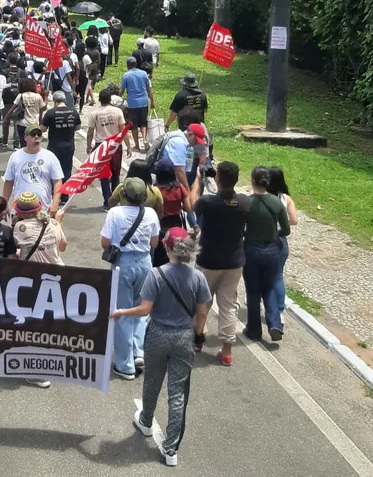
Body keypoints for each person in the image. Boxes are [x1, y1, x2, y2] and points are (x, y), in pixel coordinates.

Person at [112, 227, 211, 467]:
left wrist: (122, 312)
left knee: (152, 382)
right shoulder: (197, 277)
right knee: (177, 393)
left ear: (167, 248)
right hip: (183, 337)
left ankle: (145, 421)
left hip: (157, 334)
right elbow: (202, 311)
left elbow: (145, 310)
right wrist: (198, 334)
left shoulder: (156, 275)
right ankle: (171, 449)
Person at [99, 178, 160, 380]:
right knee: (141, 311)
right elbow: (154, 241)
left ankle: (125, 366)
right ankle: (138, 352)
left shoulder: (115, 213)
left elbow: (104, 242)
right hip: (144, 262)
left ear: (123, 195)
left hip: (123, 264)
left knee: (122, 312)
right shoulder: (150, 213)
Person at [189, 160, 248, 366]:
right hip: (234, 262)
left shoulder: (208, 202)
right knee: (228, 305)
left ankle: (198, 339)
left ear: (217, 178)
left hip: (208, 260)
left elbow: (191, 203)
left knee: (202, 301)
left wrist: (197, 180)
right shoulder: (244, 202)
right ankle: (227, 350)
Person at [243, 166, 291, 342]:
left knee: (253, 291)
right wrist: (274, 235)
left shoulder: (247, 202)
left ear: (252, 181)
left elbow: (241, 229)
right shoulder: (277, 202)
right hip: (272, 251)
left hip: (252, 250)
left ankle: (254, 330)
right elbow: (286, 229)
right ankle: (275, 324)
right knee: (269, 287)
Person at [2, 125, 64, 216]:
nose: (36, 136)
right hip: (20, 211)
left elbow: (57, 181)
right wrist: (4, 204)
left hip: (43, 210)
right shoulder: (15, 157)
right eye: (33, 134)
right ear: (25, 137)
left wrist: (55, 203)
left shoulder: (50, 156)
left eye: (39, 134)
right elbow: (8, 182)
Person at [268, 166, 299, 330]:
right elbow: (294, 220)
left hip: (263, 240)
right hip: (281, 241)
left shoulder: (262, 197)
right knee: (278, 276)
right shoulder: (286, 198)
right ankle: (280, 311)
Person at [86, 89, 126, 208]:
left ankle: (107, 201)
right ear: (110, 100)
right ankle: (115, 199)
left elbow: (90, 132)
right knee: (115, 173)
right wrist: (128, 146)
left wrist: (89, 145)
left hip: (101, 146)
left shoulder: (95, 113)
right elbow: (123, 131)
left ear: (99, 100)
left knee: (104, 175)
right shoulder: (117, 111)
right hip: (115, 145)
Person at [40, 90, 80, 191]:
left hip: (54, 146)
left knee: (53, 170)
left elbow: (42, 129)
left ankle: (54, 192)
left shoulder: (51, 113)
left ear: (54, 101)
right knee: (66, 170)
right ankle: (64, 195)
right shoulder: (73, 111)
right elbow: (78, 127)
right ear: (65, 100)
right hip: (69, 145)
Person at [11, 192, 66, 265]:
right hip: (56, 269)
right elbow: (62, 247)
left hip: (33, 270)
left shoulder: (19, 226)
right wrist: (58, 221)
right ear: (39, 209)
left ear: (19, 211)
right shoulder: (53, 223)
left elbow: (14, 249)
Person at [119, 57, 156, 153]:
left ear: (128, 65)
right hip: (144, 102)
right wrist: (152, 101)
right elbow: (149, 89)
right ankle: (144, 139)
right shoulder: (143, 73)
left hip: (132, 103)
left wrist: (119, 99)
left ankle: (137, 146)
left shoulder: (126, 75)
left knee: (134, 125)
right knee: (143, 123)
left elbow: (121, 90)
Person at [5, 78, 45, 150]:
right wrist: (46, 97)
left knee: (23, 145)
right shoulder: (38, 96)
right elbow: (43, 108)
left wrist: (6, 118)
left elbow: (12, 108)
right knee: (35, 144)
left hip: (22, 124)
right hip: (34, 124)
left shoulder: (20, 95)